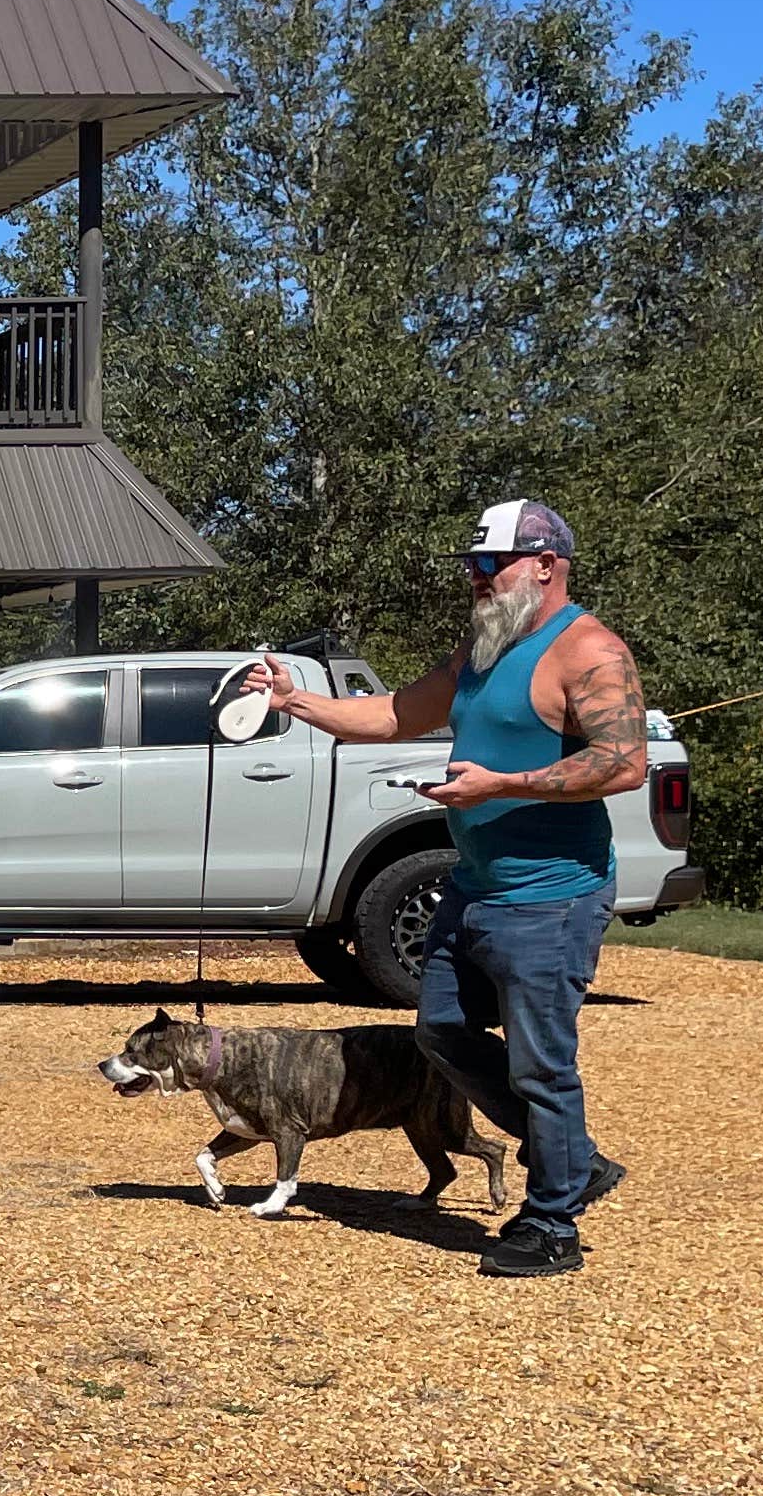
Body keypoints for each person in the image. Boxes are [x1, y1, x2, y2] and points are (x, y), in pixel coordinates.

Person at [246, 499, 647, 1278]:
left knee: (540, 1063)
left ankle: (552, 1221)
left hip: (553, 895)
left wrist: (505, 781)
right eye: (471, 565)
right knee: (439, 1032)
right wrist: (294, 699)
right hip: (477, 886)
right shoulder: (485, 649)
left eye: (489, 564)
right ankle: (574, 1160)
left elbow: (623, 762)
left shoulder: (588, 649)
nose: (475, 578)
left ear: (544, 564)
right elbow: (396, 713)